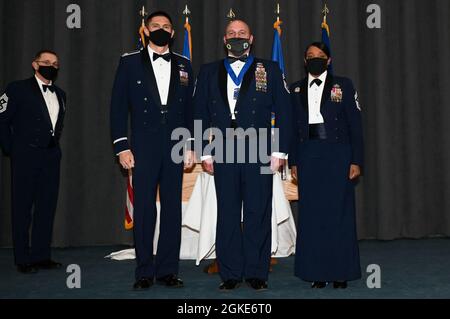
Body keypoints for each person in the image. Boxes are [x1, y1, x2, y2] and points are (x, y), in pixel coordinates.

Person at [193, 19, 292, 291]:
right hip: (223, 148)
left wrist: (279, 150)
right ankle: (231, 273)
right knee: (226, 212)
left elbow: (284, 111)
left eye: (242, 33)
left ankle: (257, 272)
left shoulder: (270, 69)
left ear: (252, 38)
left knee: (257, 211)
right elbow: (200, 112)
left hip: (259, 147)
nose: (237, 37)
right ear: (224, 39)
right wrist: (204, 151)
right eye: (232, 33)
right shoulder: (209, 71)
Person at [110, 11, 195, 290]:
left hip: (175, 145)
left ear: (173, 33)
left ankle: (168, 270)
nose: (161, 30)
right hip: (143, 146)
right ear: (146, 30)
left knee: (172, 209)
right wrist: (122, 146)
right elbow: (118, 107)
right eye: (155, 25)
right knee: (145, 209)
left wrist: (191, 145)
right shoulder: (129, 62)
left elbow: (190, 110)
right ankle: (144, 271)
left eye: (166, 27)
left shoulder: (184, 64)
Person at [289, 42, 364, 289]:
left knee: (338, 213)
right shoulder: (295, 88)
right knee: (312, 215)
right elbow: (290, 129)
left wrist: (356, 160)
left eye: (320, 56)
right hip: (308, 154)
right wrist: (293, 161)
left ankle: (341, 272)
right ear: (304, 60)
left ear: (329, 60)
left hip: (337, 154)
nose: (315, 60)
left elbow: (355, 125)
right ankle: (316, 273)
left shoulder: (344, 85)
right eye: (310, 56)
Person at [0, 50, 66, 274]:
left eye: (55, 63)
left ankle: (41, 255)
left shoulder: (61, 94)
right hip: (25, 157)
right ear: (34, 65)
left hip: (50, 158)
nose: (51, 66)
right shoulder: (17, 89)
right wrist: (13, 150)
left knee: (46, 208)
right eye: (46, 62)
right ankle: (22, 258)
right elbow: (2, 119)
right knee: (22, 208)